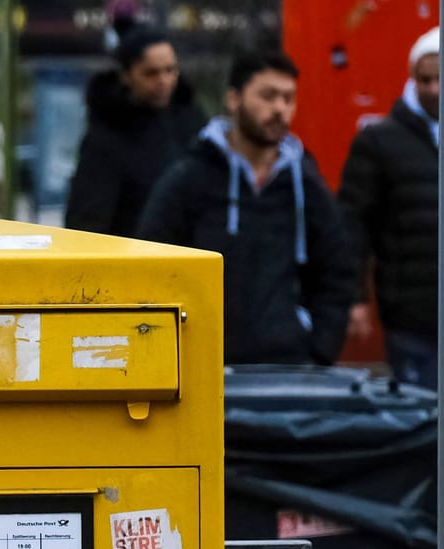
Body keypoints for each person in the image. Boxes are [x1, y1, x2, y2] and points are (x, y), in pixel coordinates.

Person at [137, 50, 355, 367]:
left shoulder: (307, 184)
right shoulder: (191, 178)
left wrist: (319, 350)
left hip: (290, 367)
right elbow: (152, 262)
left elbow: (337, 271)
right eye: (268, 96)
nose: (279, 109)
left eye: (288, 98)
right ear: (234, 99)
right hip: (204, 365)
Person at [338, 27, 441, 387]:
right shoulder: (379, 141)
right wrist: (355, 299)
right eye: (424, 79)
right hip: (410, 316)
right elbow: (351, 223)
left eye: (441, 78)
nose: (433, 89)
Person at [64, 22, 204, 237]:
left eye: (170, 70)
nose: (163, 81)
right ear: (127, 75)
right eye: (151, 73)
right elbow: (88, 216)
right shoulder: (107, 135)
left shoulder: (192, 121)